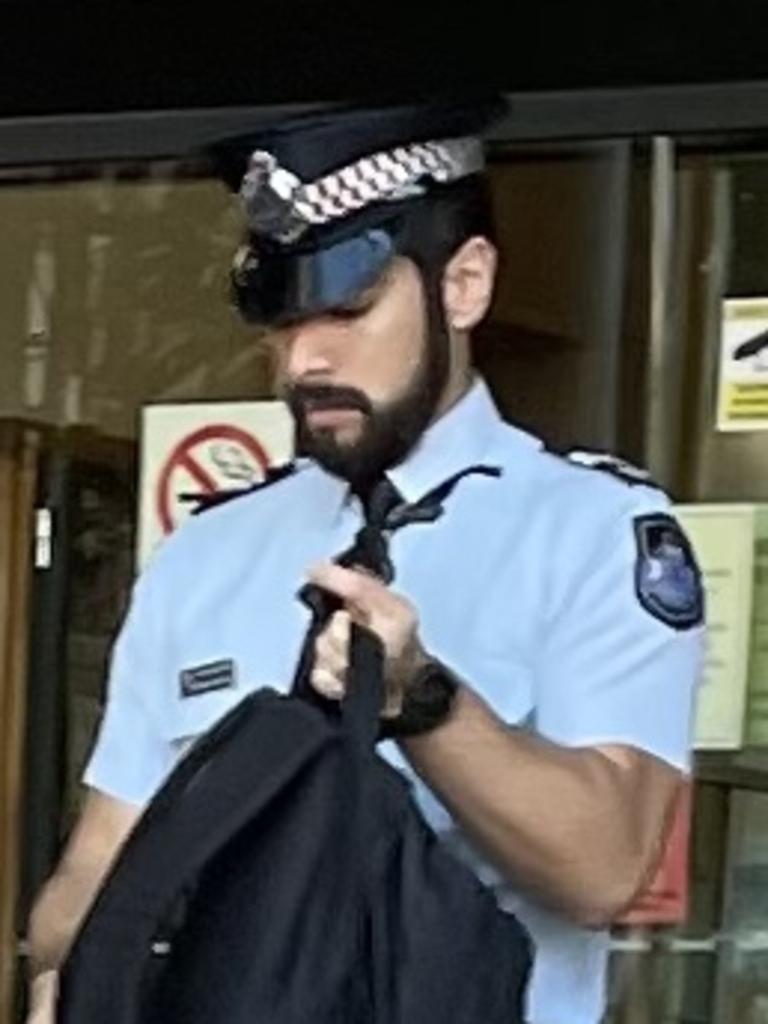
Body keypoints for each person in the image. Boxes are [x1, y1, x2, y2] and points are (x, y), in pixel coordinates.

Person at [25, 100, 705, 1024]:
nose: (306, 357)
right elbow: (96, 871)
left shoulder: (592, 530)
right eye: (281, 321)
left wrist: (425, 707)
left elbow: (607, 868)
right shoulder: (209, 554)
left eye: (349, 307)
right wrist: (69, 965)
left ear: (463, 286)